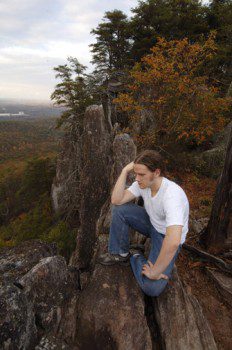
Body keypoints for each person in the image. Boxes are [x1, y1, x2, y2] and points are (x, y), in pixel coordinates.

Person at [99, 150, 189, 297]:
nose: (137, 178)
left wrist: (155, 272)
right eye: (136, 173)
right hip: (151, 224)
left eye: (141, 174)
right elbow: (116, 200)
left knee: (152, 288)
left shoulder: (172, 196)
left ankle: (135, 256)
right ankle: (120, 253)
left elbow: (173, 242)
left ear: (157, 172)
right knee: (119, 210)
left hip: (165, 236)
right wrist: (124, 171)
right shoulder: (143, 184)